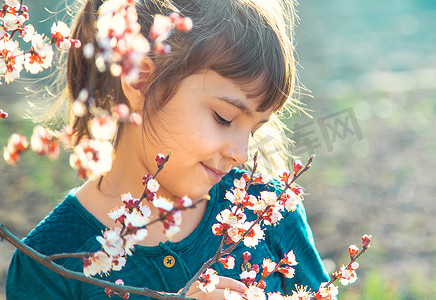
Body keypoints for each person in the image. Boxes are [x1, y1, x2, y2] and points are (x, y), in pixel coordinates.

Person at [6, 0, 329, 299]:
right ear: (140, 81)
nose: (242, 154)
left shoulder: (269, 211)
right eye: (224, 118)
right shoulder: (47, 262)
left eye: (256, 129)